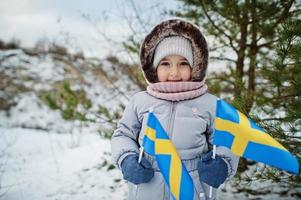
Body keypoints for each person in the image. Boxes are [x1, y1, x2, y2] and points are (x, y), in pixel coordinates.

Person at [111, 18, 239, 200]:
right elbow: (123, 134)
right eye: (165, 63)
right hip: (148, 187)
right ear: (154, 68)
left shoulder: (211, 104)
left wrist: (223, 163)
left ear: (195, 66)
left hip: (192, 186)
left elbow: (227, 140)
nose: (174, 73)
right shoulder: (139, 101)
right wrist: (126, 159)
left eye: (183, 63)